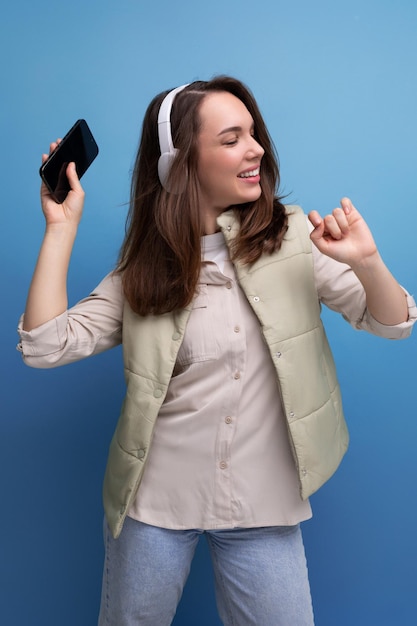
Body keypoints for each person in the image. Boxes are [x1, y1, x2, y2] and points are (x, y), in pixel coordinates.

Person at [17, 76, 416, 626]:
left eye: (253, 134)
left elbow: (393, 324)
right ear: (178, 164)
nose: (255, 149)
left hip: (262, 499)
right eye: (231, 139)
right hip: (154, 502)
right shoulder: (144, 271)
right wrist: (60, 229)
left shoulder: (295, 236)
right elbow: (43, 347)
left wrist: (366, 261)